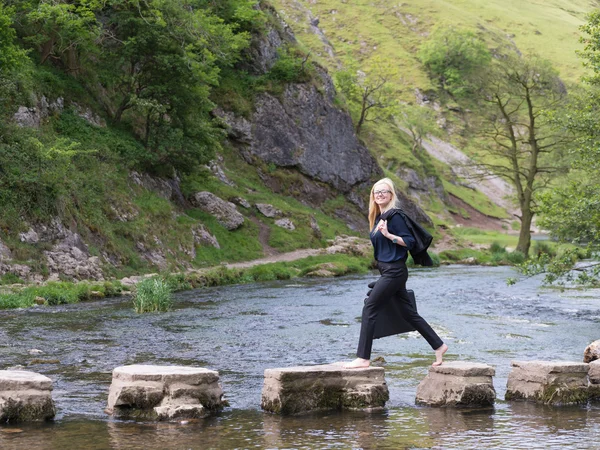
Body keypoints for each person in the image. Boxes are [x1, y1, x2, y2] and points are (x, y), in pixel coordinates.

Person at [344, 177, 448, 369]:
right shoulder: (378, 217)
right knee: (408, 314)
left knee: (370, 308)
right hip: (389, 271)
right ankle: (439, 345)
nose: (380, 194)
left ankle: (363, 358)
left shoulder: (395, 216)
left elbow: (409, 242)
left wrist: (389, 235)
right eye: (377, 192)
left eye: (384, 191)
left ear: (391, 195)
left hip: (394, 271)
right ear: (373, 196)